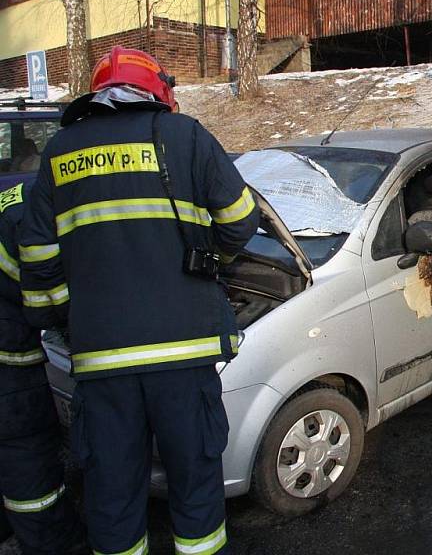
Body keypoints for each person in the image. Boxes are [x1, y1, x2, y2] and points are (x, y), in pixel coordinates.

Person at [19, 46, 259, 555]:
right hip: (184, 355)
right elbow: (240, 219)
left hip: (102, 362)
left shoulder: (59, 152)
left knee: (113, 492)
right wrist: (207, 254)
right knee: (195, 484)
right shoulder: (185, 135)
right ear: (157, 91)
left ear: (99, 93)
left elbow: (38, 258)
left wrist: (65, 315)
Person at [0, 180, 85, 554]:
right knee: (30, 471)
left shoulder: (23, 196)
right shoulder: (41, 213)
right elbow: (52, 298)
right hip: (9, 368)